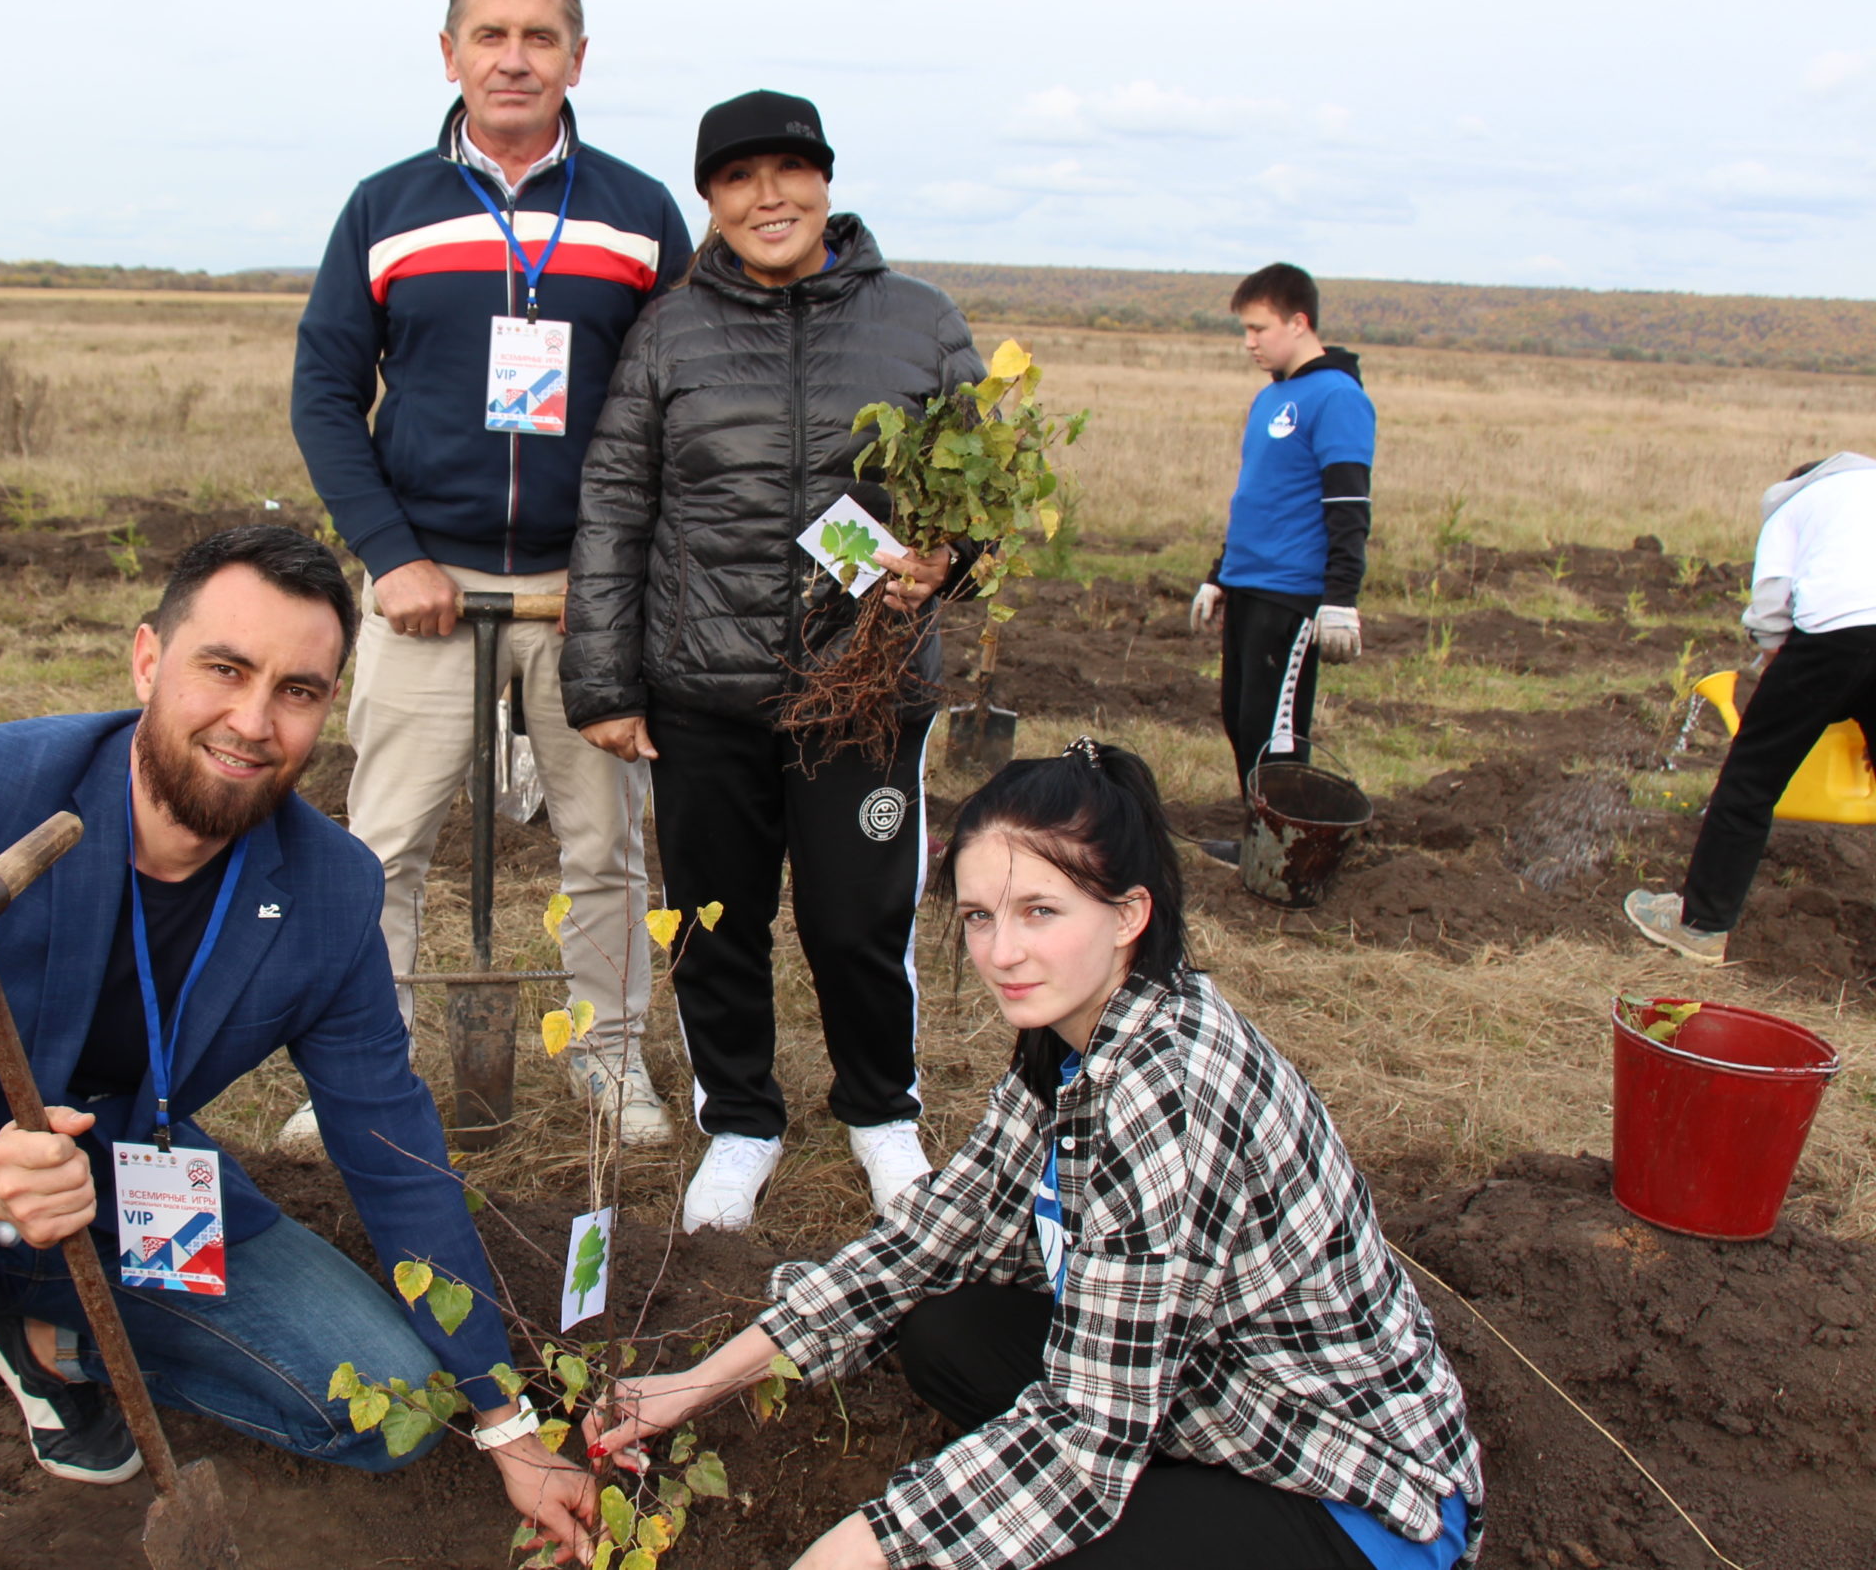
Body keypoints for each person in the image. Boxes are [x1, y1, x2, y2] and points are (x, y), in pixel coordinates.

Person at [0, 526, 598, 1570]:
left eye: (298, 691)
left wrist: (505, 1420)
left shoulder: (327, 890)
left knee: (392, 1408)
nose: (253, 721)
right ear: (147, 659)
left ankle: (47, 1329)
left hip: (117, 1176)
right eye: (223, 671)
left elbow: (393, 1151)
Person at [585, 740, 1482, 1570]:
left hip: (1352, 1489)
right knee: (945, 1325)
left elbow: (1082, 1450)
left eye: (1040, 911)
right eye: (979, 916)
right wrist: (691, 1386)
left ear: (1130, 912)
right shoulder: (1071, 1036)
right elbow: (933, 1234)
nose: (1001, 952)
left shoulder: (1165, 1091)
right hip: (1212, 1398)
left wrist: (853, 1552)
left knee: (1043, 1543)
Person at [290, 0, 694, 1149]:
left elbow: (684, 401)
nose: (513, 59)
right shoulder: (386, 208)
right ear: (450, 51)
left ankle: (609, 1060)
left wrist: (615, 570)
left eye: (538, 36)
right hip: (426, 585)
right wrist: (391, 554)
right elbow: (323, 395)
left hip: (586, 594)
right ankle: (359, 1069)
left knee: (605, 846)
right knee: (382, 846)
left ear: (577, 55)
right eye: (489, 34)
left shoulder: (635, 215)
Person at [563, 89, 984, 1233]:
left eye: (788, 171)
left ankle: (880, 1114)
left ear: (827, 182)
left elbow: (978, 500)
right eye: (738, 178)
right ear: (709, 200)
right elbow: (613, 505)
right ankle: (739, 1121)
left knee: (857, 920)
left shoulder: (920, 320)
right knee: (714, 918)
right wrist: (601, 684)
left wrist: (947, 560)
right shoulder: (670, 330)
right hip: (705, 693)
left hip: (865, 695)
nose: (767, 196)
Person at [1627, 452, 1876, 964]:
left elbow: (1770, 606)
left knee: (1750, 782)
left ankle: (1700, 925)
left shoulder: (1791, 507)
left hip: (1835, 634)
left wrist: (1773, 665)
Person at [1188, 263, 1371, 864]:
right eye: (1245, 329)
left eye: (1259, 328)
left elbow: (1347, 504)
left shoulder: (1338, 397)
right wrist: (1220, 574)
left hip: (1293, 593)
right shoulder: (1271, 397)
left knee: (1277, 731)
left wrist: (1340, 598)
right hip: (1248, 584)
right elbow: (1256, 497)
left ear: (1299, 322)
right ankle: (1259, 839)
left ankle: (1288, 857)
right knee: (1242, 721)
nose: (1249, 342)